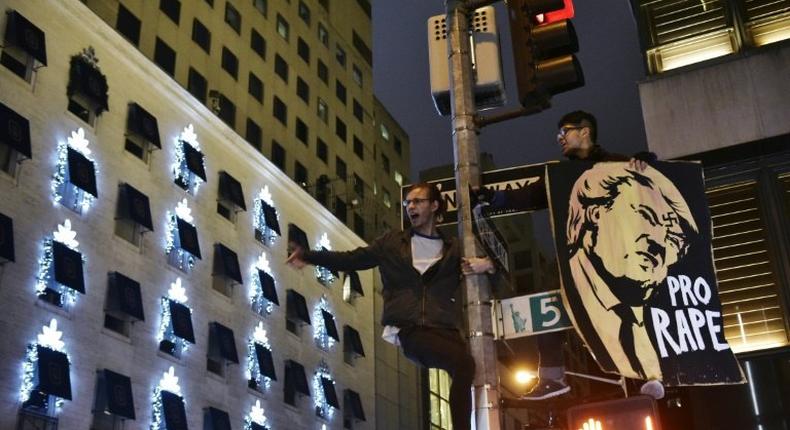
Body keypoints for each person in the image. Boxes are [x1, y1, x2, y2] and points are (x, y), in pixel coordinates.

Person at [286, 182, 494, 430]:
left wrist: (487, 264)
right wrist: (308, 256)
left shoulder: (455, 249)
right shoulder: (392, 243)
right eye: (408, 203)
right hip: (412, 331)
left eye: (417, 201)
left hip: (446, 330)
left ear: (435, 205)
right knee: (464, 364)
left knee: (465, 368)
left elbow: (497, 276)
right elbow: (351, 259)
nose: (410, 207)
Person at [481, 110, 657, 400]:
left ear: (585, 131)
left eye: (565, 131)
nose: (560, 138)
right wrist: (494, 198)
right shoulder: (559, 176)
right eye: (559, 134)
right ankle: (553, 377)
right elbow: (528, 195)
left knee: (631, 314)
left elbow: (658, 187)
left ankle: (650, 375)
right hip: (582, 261)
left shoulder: (617, 164)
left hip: (622, 259)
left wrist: (647, 163)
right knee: (551, 306)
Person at [565, 163, 698, 380]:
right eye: (646, 216)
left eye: (672, 237)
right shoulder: (569, 288)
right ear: (596, 213)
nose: (659, 242)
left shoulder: (644, 324)